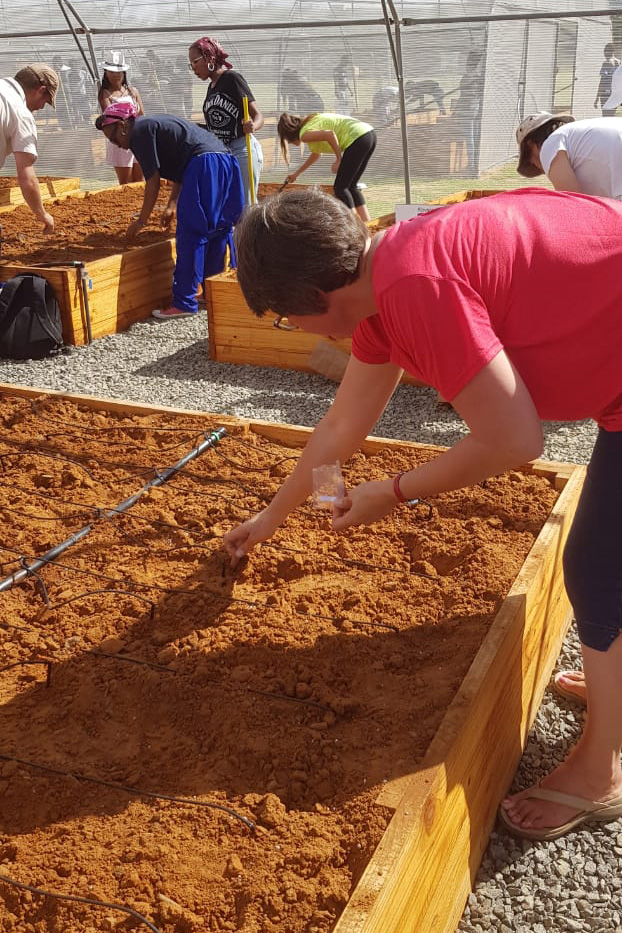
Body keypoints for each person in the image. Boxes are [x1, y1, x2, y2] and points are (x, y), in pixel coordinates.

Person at [224, 185, 622, 843]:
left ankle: (603, 767)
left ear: (313, 304)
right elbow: (340, 427)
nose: (289, 331)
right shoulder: (382, 278)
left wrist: (396, 490)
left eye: (281, 319)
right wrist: (271, 519)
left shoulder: (415, 287)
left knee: (598, 570)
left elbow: (516, 440)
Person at [94, 102, 244, 321]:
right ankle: (212, 292)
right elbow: (183, 167)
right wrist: (172, 204)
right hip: (224, 161)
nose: (117, 144)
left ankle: (184, 302)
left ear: (123, 126)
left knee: (191, 234)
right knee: (218, 228)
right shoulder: (153, 124)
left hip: (203, 164)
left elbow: (153, 182)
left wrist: (141, 221)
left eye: (114, 138)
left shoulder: (140, 133)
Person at [188, 36, 263, 206]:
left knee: (246, 206)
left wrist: (253, 126)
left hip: (242, 148)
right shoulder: (211, 87)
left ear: (209, 57)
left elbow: (258, 116)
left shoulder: (232, 79)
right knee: (227, 204)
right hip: (223, 152)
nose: (193, 68)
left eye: (195, 62)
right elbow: (217, 125)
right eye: (190, 64)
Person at [278, 112, 376, 221]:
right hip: (368, 134)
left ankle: (355, 226)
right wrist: (297, 173)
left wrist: (338, 159)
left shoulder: (304, 135)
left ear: (290, 134)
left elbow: (330, 134)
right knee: (351, 186)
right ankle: (368, 223)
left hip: (357, 137)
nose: (289, 143)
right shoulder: (310, 125)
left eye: (287, 140)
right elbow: (316, 154)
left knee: (340, 188)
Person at [0, 64, 58, 233]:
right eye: (45, 101)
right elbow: (27, 176)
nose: (41, 108)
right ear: (41, 90)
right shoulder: (21, 112)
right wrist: (43, 215)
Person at [516, 111, 622, 200]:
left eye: (531, 162)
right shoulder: (576, 138)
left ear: (531, 146)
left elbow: (573, 204)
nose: (543, 170)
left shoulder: (551, 144)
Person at [98, 52, 144, 185]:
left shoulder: (132, 91)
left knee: (140, 180)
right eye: (112, 72)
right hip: (120, 139)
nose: (116, 75)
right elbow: (111, 117)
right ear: (106, 73)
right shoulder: (105, 94)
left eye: (119, 71)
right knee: (126, 183)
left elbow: (141, 113)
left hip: (137, 138)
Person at [454, 50, 484, 176]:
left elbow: (464, 95)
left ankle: (471, 165)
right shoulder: (477, 76)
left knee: (470, 138)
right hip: (474, 108)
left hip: (468, 109)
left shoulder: (469, 76)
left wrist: (457, 110)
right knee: (474, 137)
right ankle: (473, 163)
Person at [594, 43, 620, 116]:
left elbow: (602, 82)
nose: (604, 54)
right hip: (615, 94)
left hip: (606, 94)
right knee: (611, 116)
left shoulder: (606, 63)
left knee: (606, 117)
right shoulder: (619, 62)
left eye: (605, 51)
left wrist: (596, 98)